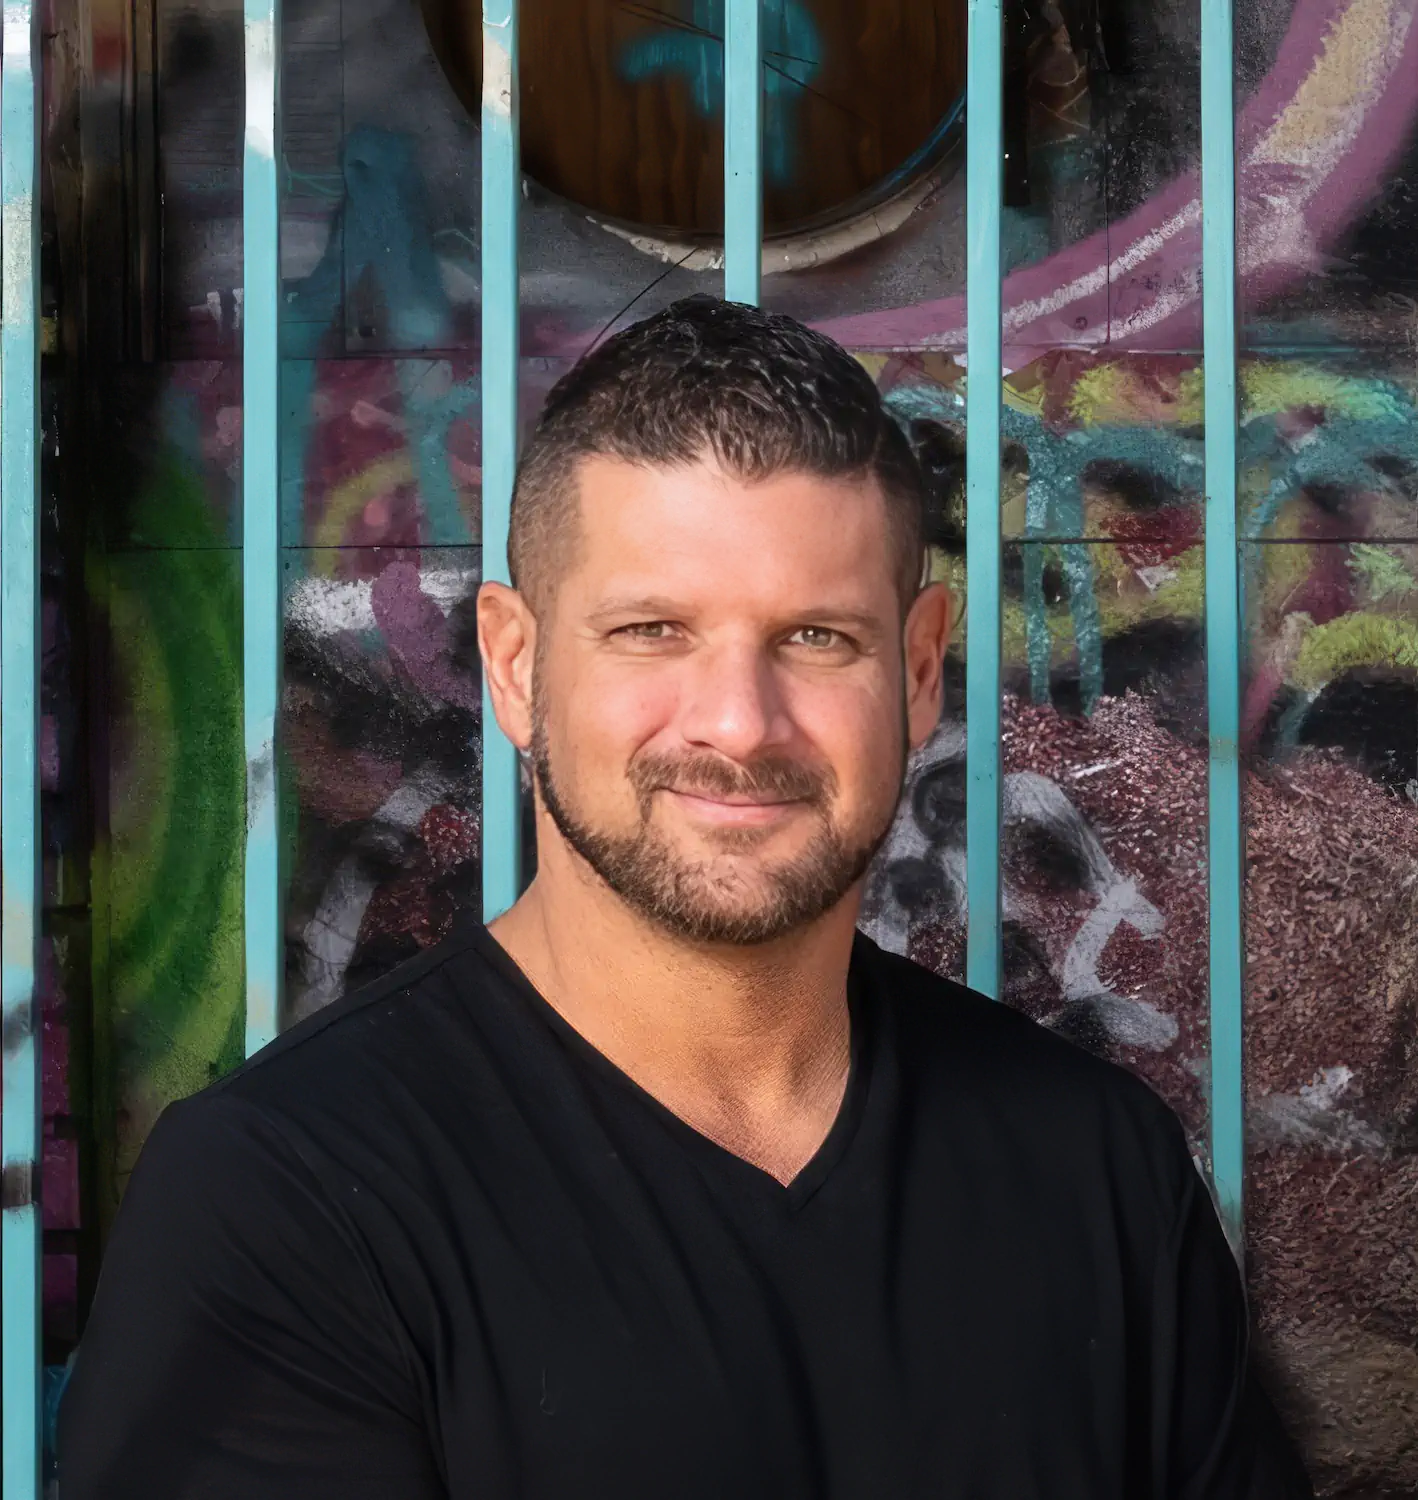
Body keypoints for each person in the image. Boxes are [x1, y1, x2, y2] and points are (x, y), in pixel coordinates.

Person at [59, 295, 1310, 1498]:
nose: (737, 723)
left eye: (816, 637)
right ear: (515, 666)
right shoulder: (286, 1201)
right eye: (651, 631)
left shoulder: (1094, 1167)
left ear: (919, 669)